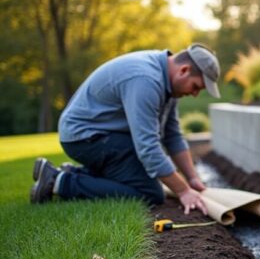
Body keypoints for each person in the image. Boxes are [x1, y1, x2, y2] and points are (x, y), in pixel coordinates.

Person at [30, 44, 221, 216]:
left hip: (103, 137)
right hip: (85, 138)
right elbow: (148, 148)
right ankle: (59, 181)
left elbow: (172, 135)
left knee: (149, 179)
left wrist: (192, 178)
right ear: (184, 70)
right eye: (196, 87)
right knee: (149, 192)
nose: (195, 94)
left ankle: (76, 174)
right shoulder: (146, 80)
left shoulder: (167, 84)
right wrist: (183, 191)